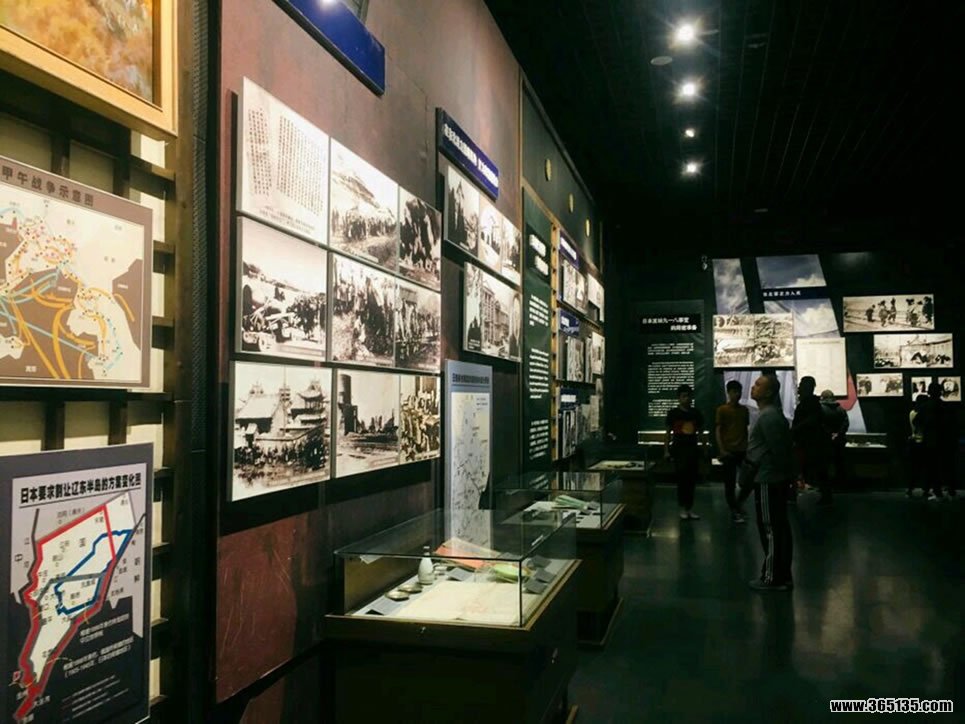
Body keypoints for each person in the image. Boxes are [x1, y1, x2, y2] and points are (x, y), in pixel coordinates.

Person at [740, 374, 794, 591]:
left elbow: (779, 451)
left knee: (770, 528)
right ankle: (783, 575)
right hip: (771, 478)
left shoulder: (768, 417)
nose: (753, 387)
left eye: (758, 385)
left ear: (769, 392)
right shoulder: (769, 415)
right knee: (778, 528)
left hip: (768, 479)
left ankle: (772, 577)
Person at [665, 384, 705, 520]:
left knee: (692, 479)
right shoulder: (673, 413)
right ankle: (682, 507)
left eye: (688, 396)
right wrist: (666, 450)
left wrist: (703, 448)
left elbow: (701, 432)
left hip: (692, 449)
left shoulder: (696, 413)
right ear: (679, 398)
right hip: (679, 450)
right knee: (682, 479)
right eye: (684, 396)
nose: (686, 399)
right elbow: (668, 433)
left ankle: (689, 508)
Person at [716, 380, 752, 523]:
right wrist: (722, 449)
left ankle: (737, 505)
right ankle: (734, 509)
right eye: (734, 391)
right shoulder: (722, 410)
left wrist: (747, 447)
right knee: (729, 483)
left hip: (742, 450)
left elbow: (745, 429)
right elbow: (718, 430)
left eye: (739, 391)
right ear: (729, 393)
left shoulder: (744, 410)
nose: (737, 394)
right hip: (729, 451)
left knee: (748, 481)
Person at [791, 376, 829, 502]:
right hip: (810, 442)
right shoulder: (813, 404)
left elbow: (811, 421)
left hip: (809, 443)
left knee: (810, 469)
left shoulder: (809, 405)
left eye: (802, 385)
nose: (799, 388)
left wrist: (795, 429)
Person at [819, 389, 849, 501]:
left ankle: (826, 491)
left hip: (824, 441)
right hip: (839, 441)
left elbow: (820, 424)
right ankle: (840, 486)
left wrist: (828, 434)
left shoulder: (820, 409)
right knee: (839, 464)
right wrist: (838, 434)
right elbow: (846, 423)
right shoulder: (841, 409)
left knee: (824, 467)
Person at [907, 394, 928, 497]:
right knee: (926, 468)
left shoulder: (912, 413)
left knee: (914, 468)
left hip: (914, 442)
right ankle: (926, 489)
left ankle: (910, 489)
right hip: (923, 442)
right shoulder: (924, 414)